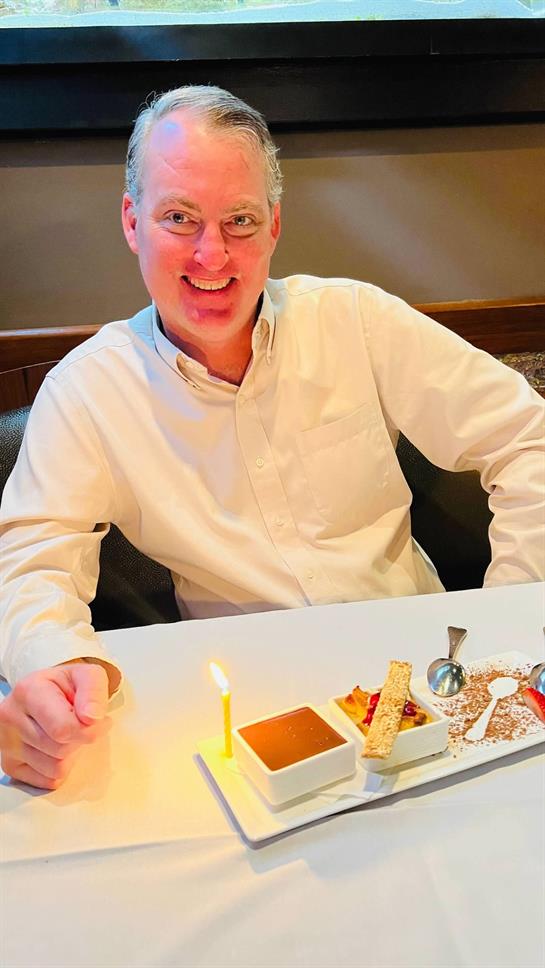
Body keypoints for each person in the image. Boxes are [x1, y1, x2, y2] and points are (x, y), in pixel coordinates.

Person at [1, 85, 543, 790]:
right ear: (132, 222)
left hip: (420, 674)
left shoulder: (356, 320)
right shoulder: (90, 391)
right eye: (178, 218)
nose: (211, 254)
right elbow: (32, 558)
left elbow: (526, 435)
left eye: (240, 220)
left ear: (275, 226)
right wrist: (54, 667)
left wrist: (504, 620)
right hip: (242, 700)